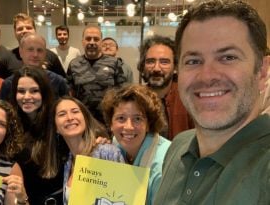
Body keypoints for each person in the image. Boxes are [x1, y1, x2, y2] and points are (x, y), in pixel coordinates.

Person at [154, 1, 270, 204]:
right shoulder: (178, 148)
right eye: (193, 61)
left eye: (228, 57)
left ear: (262, 71)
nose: (207, 76)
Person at [101, 84, 171, 205]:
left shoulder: (162, 166)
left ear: (149, 124)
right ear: (110, 124)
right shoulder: (115, 144)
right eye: (121, 118)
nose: (128, 127)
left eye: (137, 119)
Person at [50, 96, 125, 205]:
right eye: (62, 114)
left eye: (75, 112)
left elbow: (125, 197)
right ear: (56, 127)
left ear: (85, 119)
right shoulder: (67, 163)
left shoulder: (107, 152)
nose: (70, 117)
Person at [8, 67, 64, 205]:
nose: (27, 97)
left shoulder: (57, 120)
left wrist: (98, 139)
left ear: (44, 93)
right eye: (21, 91)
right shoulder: (9, 123)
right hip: (22, 200)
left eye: (34, 91)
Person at [67, 25, 127, 123]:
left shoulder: (114, 63)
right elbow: (70, 95)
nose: (92, 42)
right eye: (88, 39)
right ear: (83, 41)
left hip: (108, 121)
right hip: (82, 120)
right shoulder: (74, 64)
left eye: (96, 39)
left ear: (101, 42)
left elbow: (122, 93)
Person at [137, 35, 193, 140]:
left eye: (164, 62)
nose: (156, 68)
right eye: (150, 61)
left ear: (176, 67)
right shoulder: (136, 98)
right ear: (143, 66)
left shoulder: (188, 99)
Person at [0, 33, 69, 100]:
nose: (35, 54)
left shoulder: (58, 82)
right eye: (30, 49)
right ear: (20, 52)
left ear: (45, 54)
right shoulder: (9, 84)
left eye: (40, 50)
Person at [11, 13, 66, 78]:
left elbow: (64, 83)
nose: (25, 31)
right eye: (20, 29)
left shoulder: (51, 56)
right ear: (14, 32)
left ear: (35, 30)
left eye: (29, 28)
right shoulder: (6, 58)